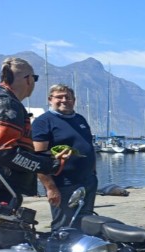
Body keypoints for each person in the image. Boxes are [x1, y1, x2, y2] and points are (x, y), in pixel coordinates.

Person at [0, 57, 69, 207]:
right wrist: (50, 165)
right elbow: (4, 152)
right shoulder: (6, 104)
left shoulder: (1, 101)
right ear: (28, 79)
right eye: (35, 78)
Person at [32, 84, 97, 229]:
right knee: (64, 227)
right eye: (59, 97)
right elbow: (38, 158)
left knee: (86, 223)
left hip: (88, 181)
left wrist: (93, 173)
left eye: (68, 97)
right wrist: (50, 188)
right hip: (64, 184)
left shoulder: (80, 119)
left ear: (74, 100)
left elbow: (89, 146)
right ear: (50, 100)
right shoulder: (43, 122)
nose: (64, 100)